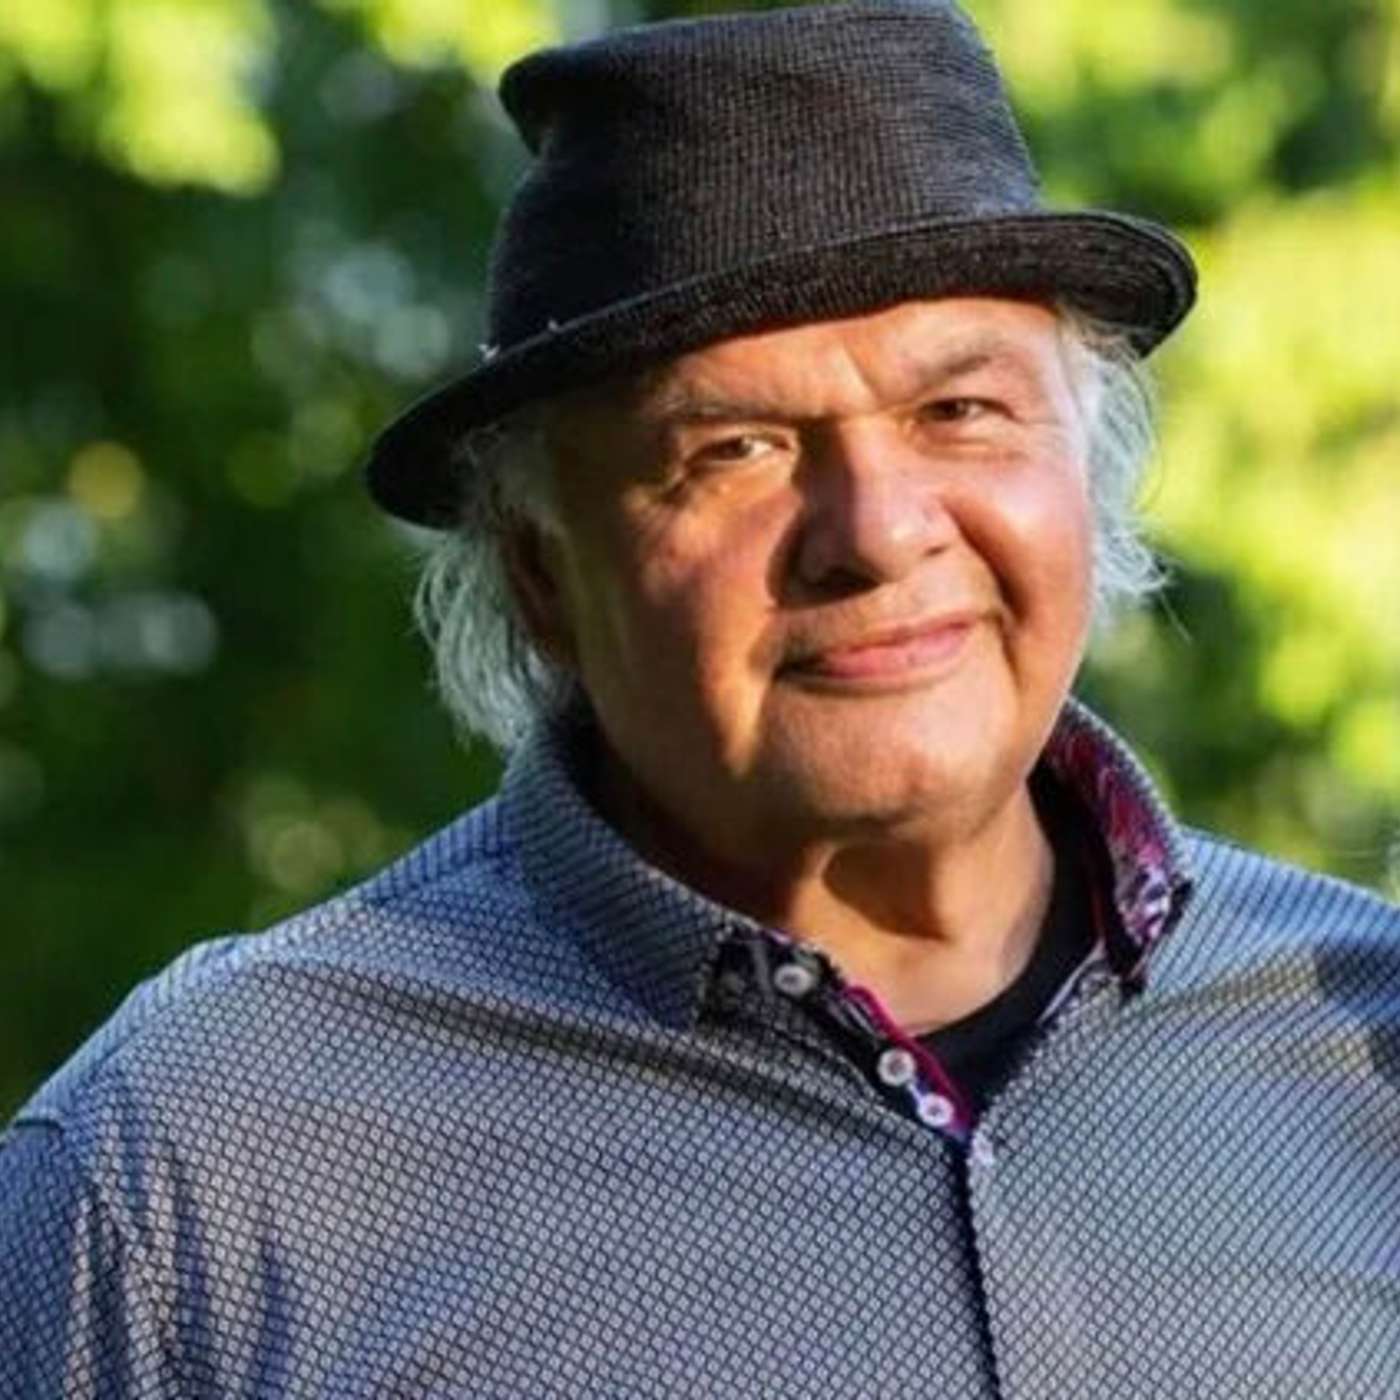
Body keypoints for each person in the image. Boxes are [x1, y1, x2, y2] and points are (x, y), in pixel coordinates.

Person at [2, 1, 1397, 1395]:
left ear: (1081, 474)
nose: (876, 531)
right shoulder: (193, 1175)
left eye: (960, 412)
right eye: (733, 449)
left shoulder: (1370, 1039)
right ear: (542, 574)